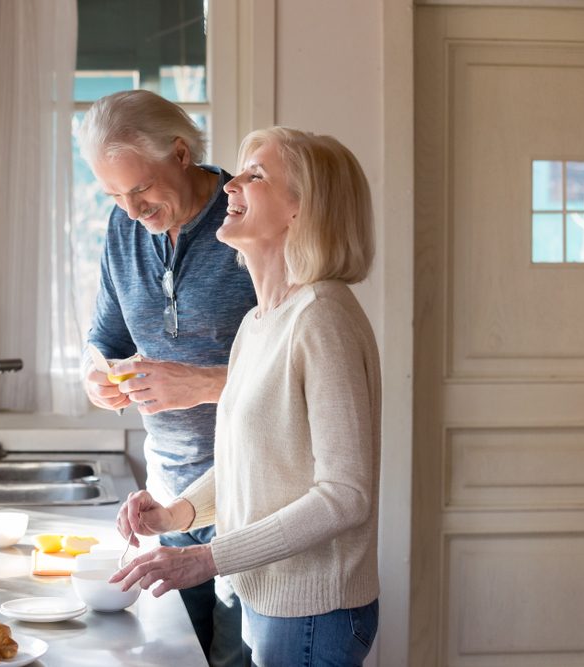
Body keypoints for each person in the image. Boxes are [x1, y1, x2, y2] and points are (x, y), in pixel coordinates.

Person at [111, 128, 382, 667]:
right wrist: (175, 514)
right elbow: (247, 460)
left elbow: (346, 495)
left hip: (312, 613)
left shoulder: (322, 316)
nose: (230, 184)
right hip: (271, 603)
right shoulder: (259, 322)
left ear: (302, 209)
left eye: (255, 175)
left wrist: (210, 558)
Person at [78, 90, 256, 666]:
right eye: (112, 194)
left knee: (232, 660)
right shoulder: (123, 230)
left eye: (140, 189)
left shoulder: (249, 218)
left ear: (180, 153)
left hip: (250, 495)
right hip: (166, 496)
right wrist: (95, 375)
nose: (130, 210)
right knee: (170, 657)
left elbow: (296, 369)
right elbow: (106, 340)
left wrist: (204, 383)